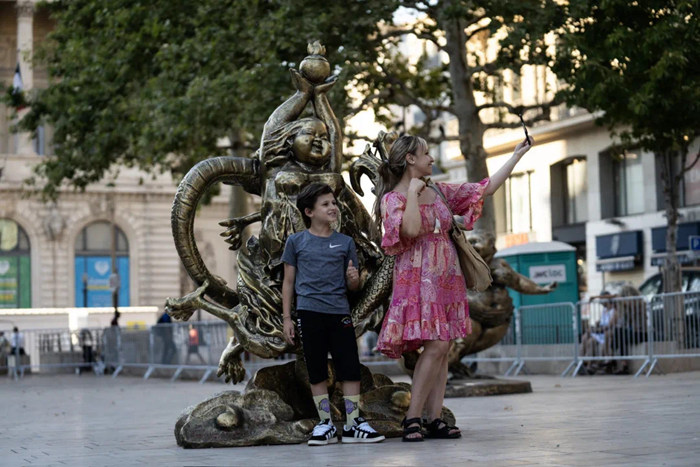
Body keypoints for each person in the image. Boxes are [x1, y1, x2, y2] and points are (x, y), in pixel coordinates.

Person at [373, 133, 533, 441]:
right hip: (417, 282)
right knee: (436, 346)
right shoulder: (393, 199)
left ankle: (434, 418)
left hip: (446, 279)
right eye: (426, 153)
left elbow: (484, 188)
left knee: (444, 348)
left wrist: (516, 156)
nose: (431, 158)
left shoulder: (441, 191)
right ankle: (413, 419)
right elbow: (410, 230)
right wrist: (414, 194)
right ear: (410, 159)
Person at [282, 182, 385, 446]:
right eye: (325, 204)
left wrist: (353, 280)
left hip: (339, 313)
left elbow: (353, 286)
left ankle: (352, 425)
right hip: (308, 314)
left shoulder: (345, 242)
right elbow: (288, 283)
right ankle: (325, 424)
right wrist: (286, 319)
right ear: (309, 212)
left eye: (334, 203)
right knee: (316, 369)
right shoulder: (296, 242)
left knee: (349, 367)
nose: (333, 207)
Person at [580, 292, 616, 374]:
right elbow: (600, 322)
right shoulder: (604, 310)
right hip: (601, 332)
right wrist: (596, 325)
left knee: (590, 339)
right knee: (587, 338)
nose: (600, 302)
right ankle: (582, 361)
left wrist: (596, 330)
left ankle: (588, 364)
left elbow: (609, 326)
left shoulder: (614, 311)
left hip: (606, 333)